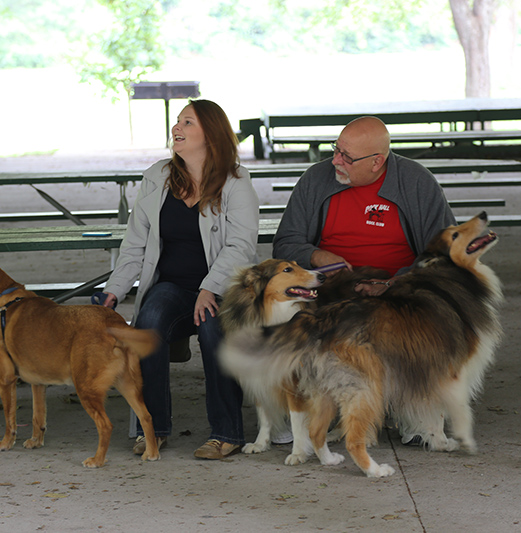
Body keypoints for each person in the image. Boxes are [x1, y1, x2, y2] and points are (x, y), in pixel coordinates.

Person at [100, 99, 259, 459]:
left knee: (212, 327)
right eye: (177, 122)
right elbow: (135, 244)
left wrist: (209, 287)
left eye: (187, 123)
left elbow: (242, 244)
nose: (177, 129)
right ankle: (152, 429)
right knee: (149, 320)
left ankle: (226, 433)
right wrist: (113, 292)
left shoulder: (236, 181)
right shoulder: (157, 176)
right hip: (172, 287)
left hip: (222, 289)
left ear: (212, 135)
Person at [272, 116, 455, 294]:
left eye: (347, 157)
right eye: (336, 149)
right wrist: (315, 256)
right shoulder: (315, 179)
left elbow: (445, 253)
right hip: (328, 291)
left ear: (377, 162)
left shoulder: (417, 183)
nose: (335, 161)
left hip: (402, 293)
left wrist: (394, 282)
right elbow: (285, 244)